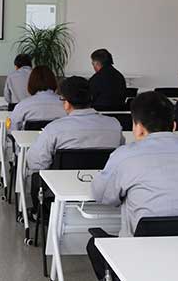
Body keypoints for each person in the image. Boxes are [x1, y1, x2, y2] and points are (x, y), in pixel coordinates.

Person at [87, 91, 178, 280]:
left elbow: (102, 196)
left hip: (142, 254)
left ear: (138, 128)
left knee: (94, 244)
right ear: (173, 125)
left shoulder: (125, 155)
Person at [27, 76, 124, 214]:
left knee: (36, 177)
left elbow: (36, 163)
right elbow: (120, 159)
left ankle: (38, 214)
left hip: (61, 195)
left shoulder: (54, 129)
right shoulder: (114, 125)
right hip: (105, 196)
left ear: (67, 103)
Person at [9, 65, 66, 131]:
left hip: (30, 137)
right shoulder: (66, 104)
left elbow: (12, 129)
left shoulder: (23, 105)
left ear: (31, 83)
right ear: (54, 82)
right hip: (59, 137)